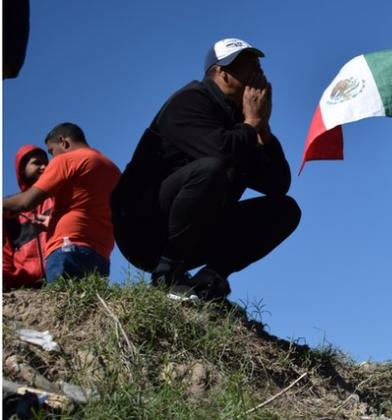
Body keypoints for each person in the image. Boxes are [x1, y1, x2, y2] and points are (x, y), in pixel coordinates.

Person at [111, 37, 300, 301]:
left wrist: (263, 130)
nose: (258, 76)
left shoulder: (243, 122)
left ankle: (208, 281)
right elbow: (220, 152)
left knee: (285, 210)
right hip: (143, 231)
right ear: (220, 72)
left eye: (260, 69)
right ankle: (168, 274)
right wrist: (252, 123)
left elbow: (278, 185)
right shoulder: (190, 101)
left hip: (194, 231)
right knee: (211, 169)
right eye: (247, 67)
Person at [2, 123, 120, 282]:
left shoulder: (66, 161)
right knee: (88, 305)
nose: (51, 160)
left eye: (51, 152)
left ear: (63, 142)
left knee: (64, 304)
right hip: (101, 254)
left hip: (67, 248)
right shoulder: (112, 168)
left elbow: (25, 203)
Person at [3, 145, 52, 290]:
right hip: (22, 286)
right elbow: (4, 250)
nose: (44, 166)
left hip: (58, 277)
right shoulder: (8, 209)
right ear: (22, 169)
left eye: (46, 163)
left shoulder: (57, 198)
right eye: (37, 163)